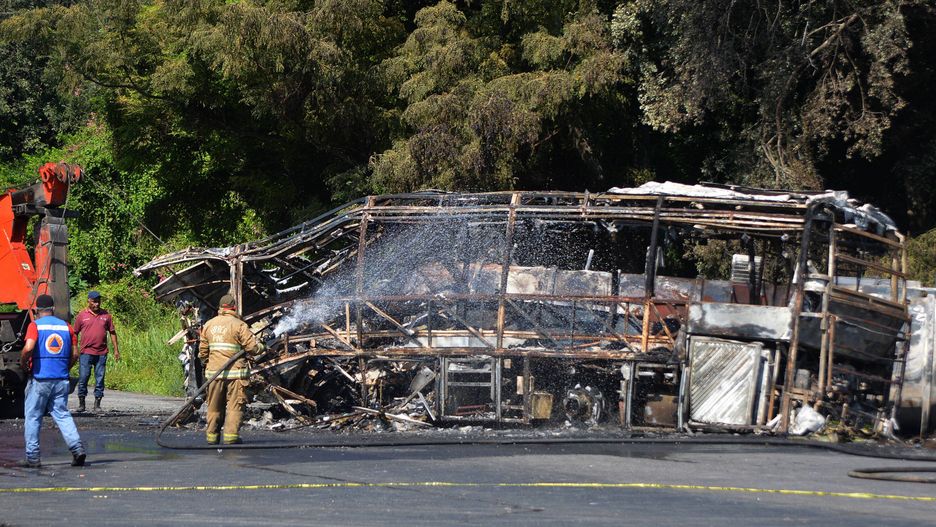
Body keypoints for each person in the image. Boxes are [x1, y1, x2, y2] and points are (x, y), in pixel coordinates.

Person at [19, 294, 86, 468]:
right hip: (61, 379)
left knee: (33, 417)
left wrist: (24, 363)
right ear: (53, 309)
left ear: (36, 310)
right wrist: (66, 369)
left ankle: (33, 457)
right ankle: (77, 449)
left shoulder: (35, 326)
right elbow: (75, 354)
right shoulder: (66, 327)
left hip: (40, 380)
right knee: (62, 414)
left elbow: (29, 348)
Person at [198, 293, 264, 445]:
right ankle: (230, 436)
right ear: (234, 307)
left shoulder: (209, 324)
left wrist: (208, 363)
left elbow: (202, 351)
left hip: (214, 373)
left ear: (220, 307)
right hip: (236, 374)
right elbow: (252, 348)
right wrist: (262, 346)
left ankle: (212, 437)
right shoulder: (238, 324)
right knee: (235, 406)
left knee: (214, 405)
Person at [74, 290, 120, 412]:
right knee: (83, 377)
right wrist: (75, 349)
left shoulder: (106, 316)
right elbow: (75, 333)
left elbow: (112, 333)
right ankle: (81, 403)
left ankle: (97, 404)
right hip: (86, 353)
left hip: (101, 353)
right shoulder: (82, 316)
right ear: (88, 301)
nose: (97, 304)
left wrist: (116, 350)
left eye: (98, 301)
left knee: (100, 379)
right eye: (94, 301)